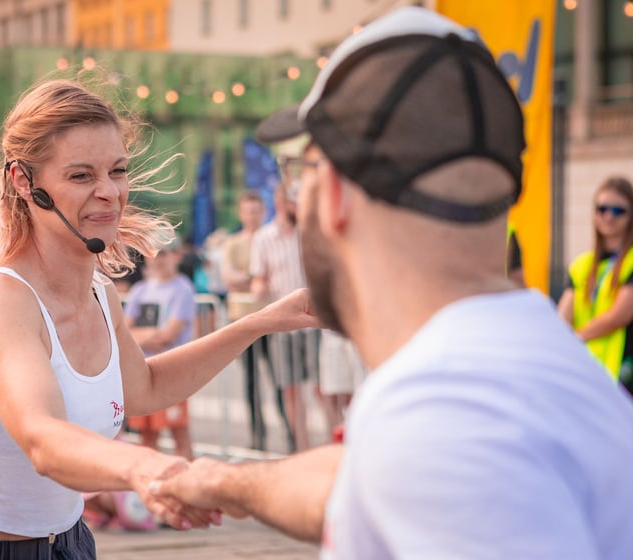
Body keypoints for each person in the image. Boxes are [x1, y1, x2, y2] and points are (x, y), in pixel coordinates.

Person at [153, 7, 633, 559]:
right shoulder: (536, 371)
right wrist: (225, 482)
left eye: (301, 173)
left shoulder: (442, 412)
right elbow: (357, 483)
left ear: (334, 192)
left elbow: (433, 462)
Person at [0, 77, 316, 559]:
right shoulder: (1, 300)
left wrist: (263, 321)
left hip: (70, 543)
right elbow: (42, 438)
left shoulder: (100, 293)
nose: (109, 192)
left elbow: (145, 388)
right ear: (23, 182)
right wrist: (144, 468)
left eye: (117, 171)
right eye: (81, 176)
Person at [250, 184, 320, 452]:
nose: (299, 207)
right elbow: (259, 278)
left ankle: (331, 447)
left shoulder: (310, 233)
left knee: (322, 388)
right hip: (285, 325)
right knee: (291, 388)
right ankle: (302, 447)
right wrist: (258, 289)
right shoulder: (264, 238)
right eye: (294, 202)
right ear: (281, 203)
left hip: (315, 323)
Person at [220, 190, 289, 451]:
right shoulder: (233, 244)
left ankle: (290, 431)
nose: (253, 216)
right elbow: (229, 277)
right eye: (249, 211)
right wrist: (257, 276)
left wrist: (249, 278)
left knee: (280, 378)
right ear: (241, 214)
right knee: (251, 381)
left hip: (272, 318)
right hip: (243, 319)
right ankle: (257, 435)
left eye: (257, 211)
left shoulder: (271, 240)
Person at [558, 176, 633, 394]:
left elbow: (619, 316)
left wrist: (575, 338)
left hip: (623, 371)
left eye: (618, 211)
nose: (609, 216)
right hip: (587, 370)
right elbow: (563, 317)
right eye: (602, 209)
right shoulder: (582, 265)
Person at [124, 239, 196, 460]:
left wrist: (139, 336)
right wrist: (149, 336)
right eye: (152, 254)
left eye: (163, 254)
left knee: (178, 432)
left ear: (176, 256)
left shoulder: (183, 289)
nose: (157, 260)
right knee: (147, 437)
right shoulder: (140, 290)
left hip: (173, 371)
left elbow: (168, 336)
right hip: (143, 371)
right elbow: (124, 332)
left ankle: (189, 481)